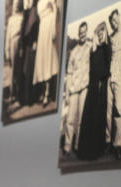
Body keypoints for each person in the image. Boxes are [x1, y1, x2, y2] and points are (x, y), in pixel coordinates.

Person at [78, 21, 112, 161]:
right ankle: (86, 151)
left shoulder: (106, 48)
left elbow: (108, 68)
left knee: (99, 116)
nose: (100, 34)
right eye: (98, 32)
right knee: (89, 116)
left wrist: (100, 77)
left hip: (101, 86)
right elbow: (91, 68)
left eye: (102, 32)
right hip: (93, 86)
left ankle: (97, 150)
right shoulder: (94, 49)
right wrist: (94, 45)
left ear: (105, 33)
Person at [63, 22, 91, 158]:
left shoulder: (91, 48)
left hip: (85, 88)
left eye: (84, 32)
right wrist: (67, 92)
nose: (82, 34)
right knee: (70, 119)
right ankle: (67, 147)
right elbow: (69, 73)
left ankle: (78, 146)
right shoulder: (73, 52)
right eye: (80, 32)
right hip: (74, 89)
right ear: (78, 33)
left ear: (87, 32)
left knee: (81, 120)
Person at [33, 0, 59, 106]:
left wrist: (53, 30)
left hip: (49, 27)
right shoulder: (39, 3)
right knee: (42, 60)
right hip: (42, 30)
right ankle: (43, 92)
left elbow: (55, 11)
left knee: (48, 60)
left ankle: (47, 94)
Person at [109, 9, 121, 159]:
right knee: (113, 111)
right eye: (112, 22)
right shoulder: (112, 37)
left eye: (115, 19)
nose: (114, 23)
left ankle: (119, 144)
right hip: (113, 76)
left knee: (120, 110)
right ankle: (112, 143)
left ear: (119, 17)